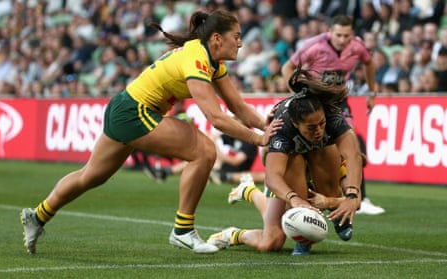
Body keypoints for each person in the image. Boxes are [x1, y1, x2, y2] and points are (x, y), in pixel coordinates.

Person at [19, 10, 282, 255]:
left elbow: (236, 105)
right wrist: (259, 138)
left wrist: (264, 124)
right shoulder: (197, 59)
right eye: (236, 37)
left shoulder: (210, 59)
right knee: (204, 150)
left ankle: (38, 215)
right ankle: (183, 230)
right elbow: (216, 117)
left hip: (124, 108)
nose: (240, 43)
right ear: (216, 38)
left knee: (90, 176)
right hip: (134, 112)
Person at [207, 64, 363, 256]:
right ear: (296, 124)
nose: (319, 131)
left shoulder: (332, 117)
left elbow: (354, 157)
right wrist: (295, 199)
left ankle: (332, 220)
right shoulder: (282, 129)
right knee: (271, 242)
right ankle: (234, 233)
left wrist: (351, 196)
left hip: (320, 153)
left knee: (327, 169)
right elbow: (273, 177)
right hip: (289, 158)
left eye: (321, 124)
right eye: (311, 127)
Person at [281, 14, 384, 215]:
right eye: (338, 35)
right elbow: (287, 68)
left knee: (352, 142)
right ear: (330, 32)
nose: (343, 40)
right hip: (316, 102)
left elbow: (369, 63)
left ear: (352, 34)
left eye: (346, 35)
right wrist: (298, 97)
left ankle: (358, 197)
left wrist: (372, 93)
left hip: (338, 102)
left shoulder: (357, 47)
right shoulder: (314, 46)